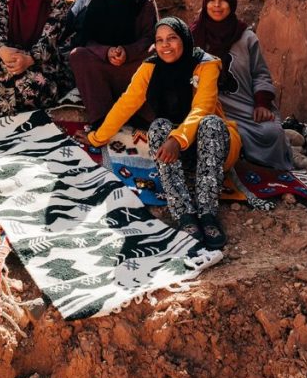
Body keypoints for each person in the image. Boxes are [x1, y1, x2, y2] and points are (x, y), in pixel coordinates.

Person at [85, 17, 240, 249]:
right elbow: (127, 103)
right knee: (159, 126)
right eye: (159, 40)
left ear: (184, 39)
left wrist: (177, 140)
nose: (165, 45)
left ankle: (208, 213)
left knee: (210, 123)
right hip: (176, 156)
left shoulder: (206, 64)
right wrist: (97, 137)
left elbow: (202, 107)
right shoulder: (151, 66)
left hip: (212, 149)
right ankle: (184, 214)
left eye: (172, 38)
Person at [191, 0, 292, 170]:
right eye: (212, 0)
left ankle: (247, 161)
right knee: (205, 132)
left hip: (242, 108)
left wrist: (261, 103)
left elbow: (261, 73)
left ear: (232, 3)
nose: (217, 5)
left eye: (223, 0)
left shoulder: (246, 38)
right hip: (208, 107)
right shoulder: (194, 36)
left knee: (272, 133)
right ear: (205, 4)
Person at [69, 0, 158, 124]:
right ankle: (103, 116)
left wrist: (127, 52)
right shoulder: (99, 0)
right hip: (104, 68)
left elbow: (150, 37)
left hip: (133, 68)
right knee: (78, 55)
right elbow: (87, 38)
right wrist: (106, 52)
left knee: (155, 54)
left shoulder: (144, 0)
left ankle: (140, 112)